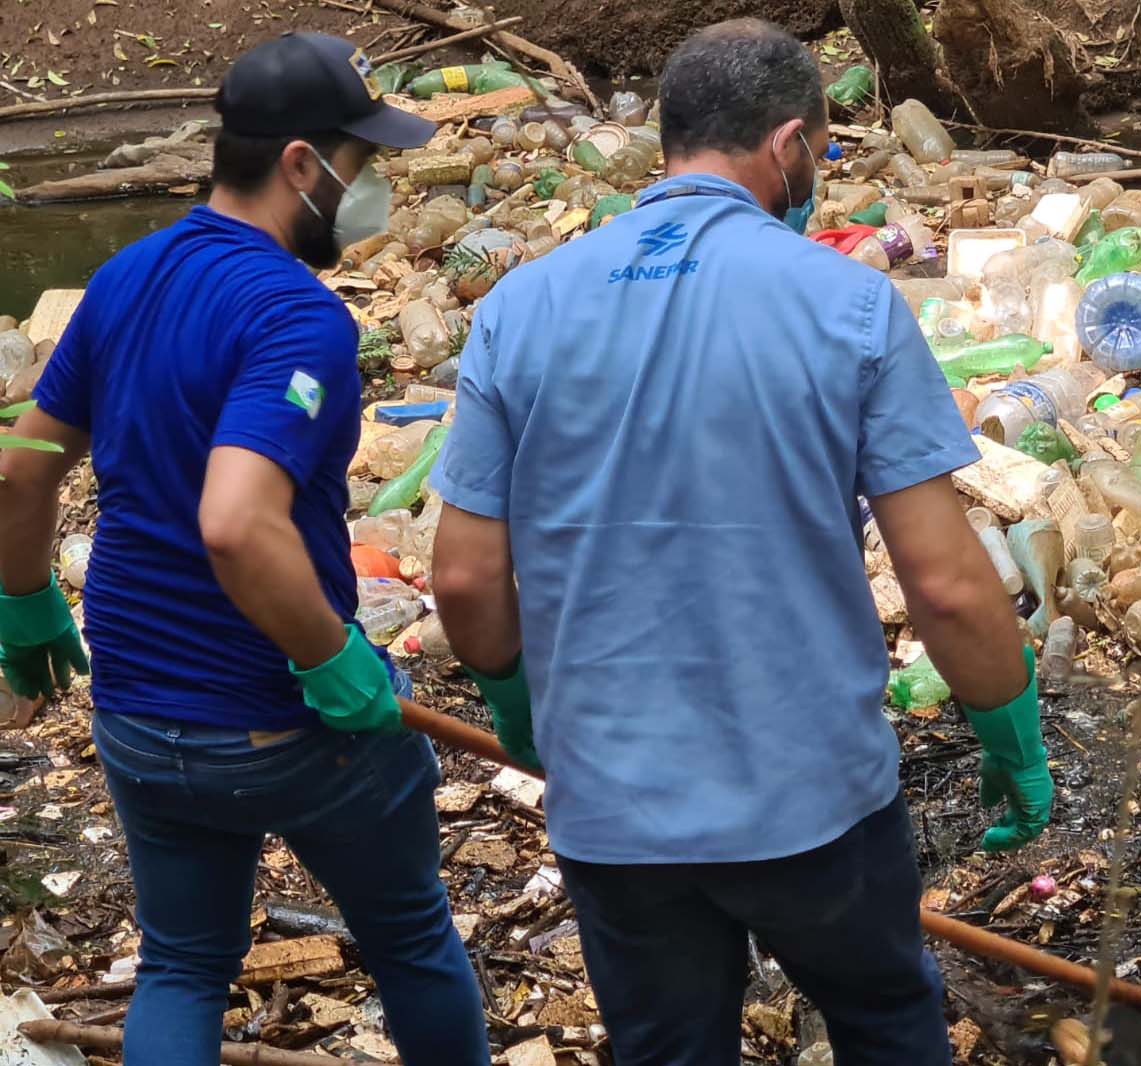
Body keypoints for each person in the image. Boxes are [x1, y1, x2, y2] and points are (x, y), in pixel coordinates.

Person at [430, 18, 1053, 1066]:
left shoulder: (520, 308)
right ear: (786, 146)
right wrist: (1010, 733)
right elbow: (943, 585)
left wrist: (515, 701)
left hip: (614, 804)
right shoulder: (850, 303)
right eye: (823, 147)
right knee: (885, 1025)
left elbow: (461, 572)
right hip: (810, 798)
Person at [0, 33, 490, 1066]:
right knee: (408, 941)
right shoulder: (293, 314)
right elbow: (235, 519)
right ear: (303, 166)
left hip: (135, 711)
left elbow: (23, 464)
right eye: (362, 166)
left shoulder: (126, 277)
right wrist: (328, 654)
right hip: (283, 719)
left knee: (183, 963)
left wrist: (26, 599)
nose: (373, 193)